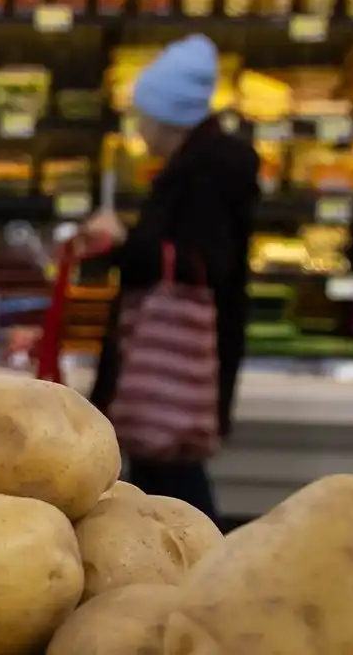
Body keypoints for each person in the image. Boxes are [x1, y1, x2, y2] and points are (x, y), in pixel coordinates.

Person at [85, 34, 261, 522]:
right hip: (179, 362)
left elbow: (196, 264)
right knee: (159, 481)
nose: (138, 126)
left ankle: (198, 572)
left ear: (167, 115)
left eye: (142, 114)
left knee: (174, 481)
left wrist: (122, 240)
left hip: (176, 362)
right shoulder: (200, 164)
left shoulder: (208, 171)